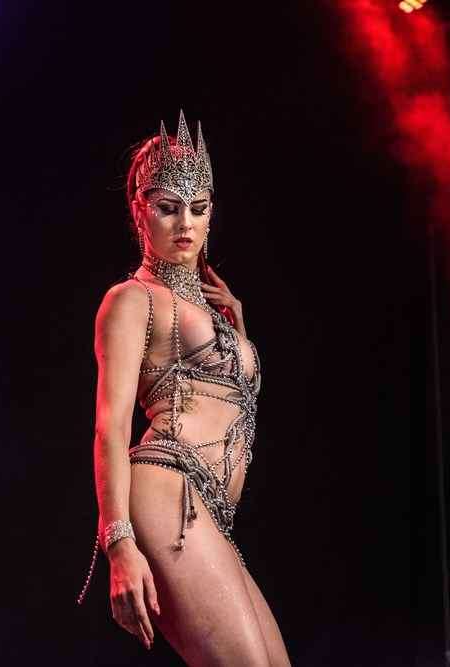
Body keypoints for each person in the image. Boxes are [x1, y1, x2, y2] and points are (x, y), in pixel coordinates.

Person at [76, 110, 291, 666]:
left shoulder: (216, 313)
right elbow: (109, 426)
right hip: (166, 491)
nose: (185, 224)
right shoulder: (131, 299)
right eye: (168, 208)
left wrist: (235, 333)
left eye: (198, 208)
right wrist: (119, 542)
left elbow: (228, 401)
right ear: (139, 211)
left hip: (210, 513)